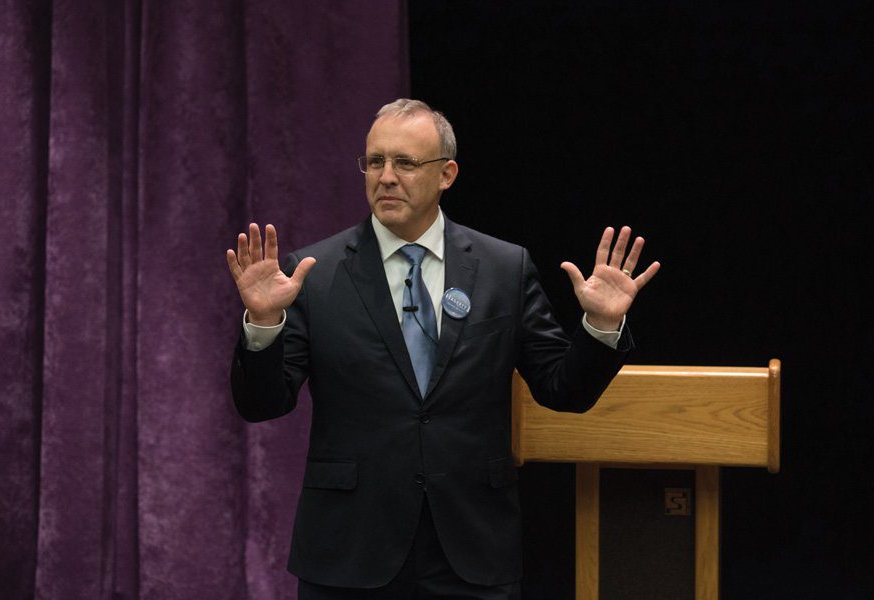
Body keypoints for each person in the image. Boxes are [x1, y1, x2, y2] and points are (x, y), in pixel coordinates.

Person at [227, 99, 659, 599]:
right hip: (349, 549)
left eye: (406, 163)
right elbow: (263, 404)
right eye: (375, 162)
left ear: (447, 174)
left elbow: (564, 391)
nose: (386, 177)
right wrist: (263, 322)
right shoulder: (315, 273)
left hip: (472, 548)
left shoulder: (503, 269)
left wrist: (601, 326)